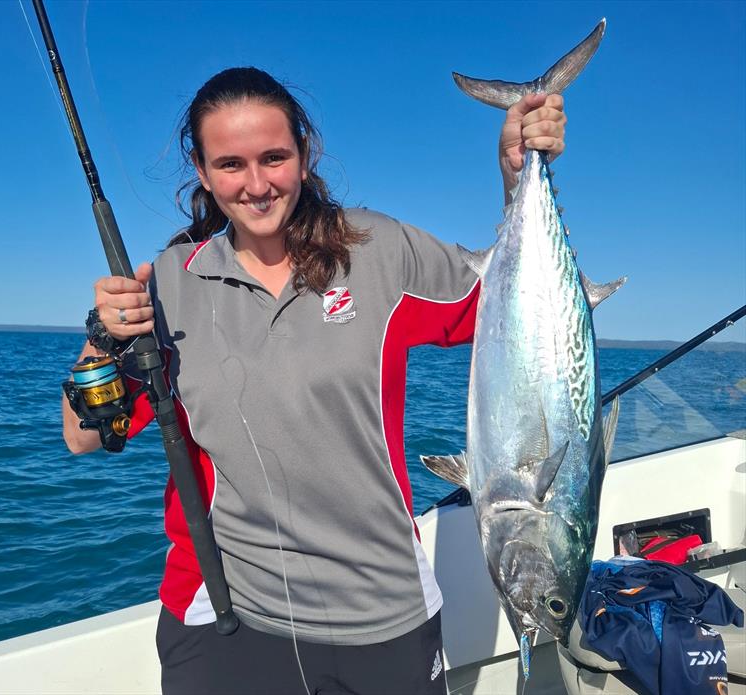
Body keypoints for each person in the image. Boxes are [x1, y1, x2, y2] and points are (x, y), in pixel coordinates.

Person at [62, 67, 567, 695]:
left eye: (274, 157)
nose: (256, 185)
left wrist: (518, 181)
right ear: (200, 170)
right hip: (224, 614)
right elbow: (84, 438)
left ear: (305, 153)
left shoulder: (380, 250)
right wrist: (103, 335)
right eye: (230, 164)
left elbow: (507, 309)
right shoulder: (169, 283)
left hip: (382, 611)